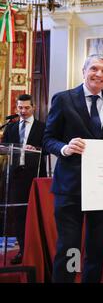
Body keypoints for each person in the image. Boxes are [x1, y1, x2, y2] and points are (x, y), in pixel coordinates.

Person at [43, 54, 103, 283]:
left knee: (97, 251)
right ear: (83, 70)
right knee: (70, 249)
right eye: (94, 68)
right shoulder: (64, 99)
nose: (99, 74)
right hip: (71, 189)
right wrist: (65, 148)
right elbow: (48, 139)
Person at [1, 94, 47, 265]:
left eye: (26, 107)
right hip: (15, 177)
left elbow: (48, 148)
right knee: (19, 215)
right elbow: (4, 147)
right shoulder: (11, 128)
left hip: (35, 176)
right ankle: (23, 250)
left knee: (35, 214)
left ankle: (38, 250)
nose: (23, 111)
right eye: (20, 107)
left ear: (33, 107)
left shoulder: (43, 127)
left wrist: (35, 148)